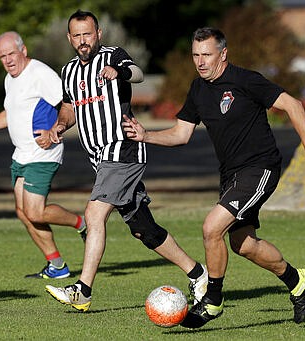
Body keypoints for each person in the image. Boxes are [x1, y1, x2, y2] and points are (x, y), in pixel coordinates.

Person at [123, 27, 305, 328]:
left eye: (206, 54)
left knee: (212, 228)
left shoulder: (246, 80)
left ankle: (213, 300)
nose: (200, 61)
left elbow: (293, 104)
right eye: (195, 55)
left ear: (223, 54)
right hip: (231, 174)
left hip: (260, 168)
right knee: (244, 245)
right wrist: (145, 135)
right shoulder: (198, 89)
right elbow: (181, 134)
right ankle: (297, 279)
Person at [41, 10, 207, 312]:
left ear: (98, 34)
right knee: (144, 229)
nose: (82, 41)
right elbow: (68, 109)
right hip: (99, 158)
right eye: (77, 36)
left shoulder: (112, 55)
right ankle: (199, 274)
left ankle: (83, 290)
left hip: (123, 150)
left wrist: (120, 72)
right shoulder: (68, 71)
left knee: (94, 215)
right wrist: (59, 126)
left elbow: (138, 73)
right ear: (69, 38)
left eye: (87, 34)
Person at [0, 31, 87, 280]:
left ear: (24, 50)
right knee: (23, 212)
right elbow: (9, 114)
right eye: (2, 56)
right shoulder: (11, 79)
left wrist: (55, 129)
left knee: (34, 211)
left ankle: (83, 223)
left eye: (11, 53)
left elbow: (69, 103)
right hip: (21, 155)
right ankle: (57, 266)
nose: (8, 60)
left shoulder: (40, 73)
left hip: (43, 153)